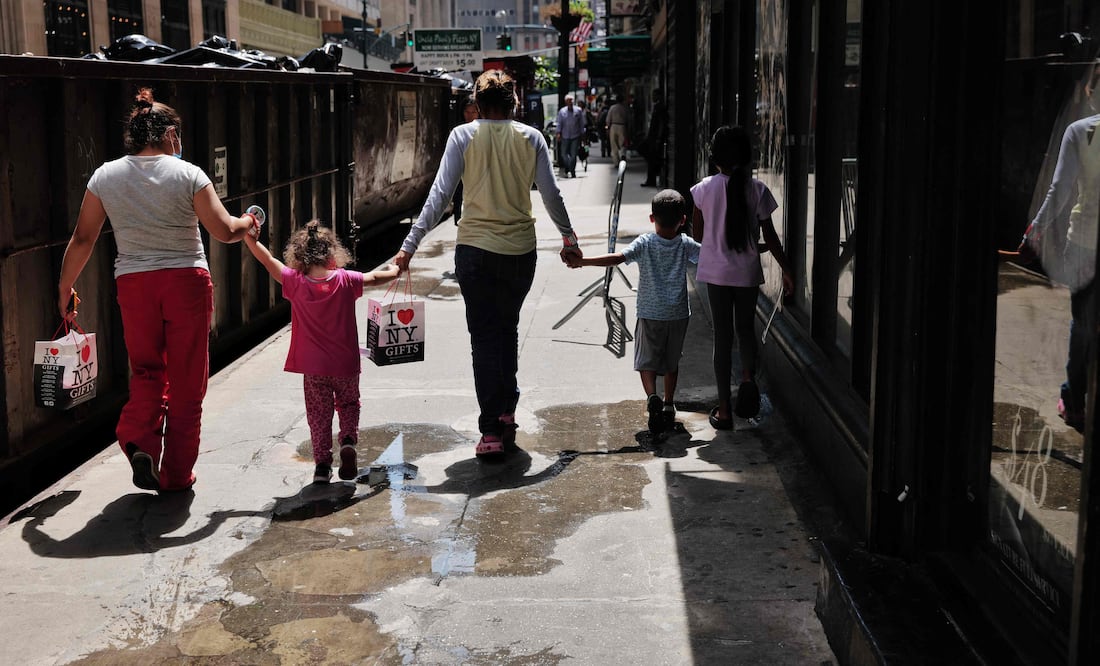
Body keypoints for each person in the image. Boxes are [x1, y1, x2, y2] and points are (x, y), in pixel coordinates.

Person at [57, 100, 258, 493]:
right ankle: (177, 474)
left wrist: (64, 287)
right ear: (169, 135)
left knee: (148, 371)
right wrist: (250, 221)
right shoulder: (188, 174)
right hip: (186, 282)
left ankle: (138, 440)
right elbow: (224, 230)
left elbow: (83, 238)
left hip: (135, 285)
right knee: (188, 382)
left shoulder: (105, 177)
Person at [394, 69, 582, 458]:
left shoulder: (463, 136)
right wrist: (569, 239)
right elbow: (551, 195)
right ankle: (507, 408)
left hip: (475, 253)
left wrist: (410, 245)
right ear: (514, 104)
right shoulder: (532, 138)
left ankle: (491, 430)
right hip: (519, 253)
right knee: (507, 328)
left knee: (484, 339)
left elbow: (440, 195)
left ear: (476, 105)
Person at [243, 220, 399, 483]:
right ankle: (348, 441)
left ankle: (322, 467)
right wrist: (396, 270)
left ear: (300, 256)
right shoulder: (346, 280)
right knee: (349, 404)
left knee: (318, 415)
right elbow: (373, 277)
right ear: (332, 254)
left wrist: (250, 240)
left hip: (313, 368)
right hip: (346, 365)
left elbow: (268, 260)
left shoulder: (294, 282)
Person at [566, 189, 700, 434]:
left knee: (646, 361)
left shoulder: (645, 243)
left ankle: (652, 397)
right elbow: (711, 257)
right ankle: (669, 404)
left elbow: (617, 258)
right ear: (683, 220)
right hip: (678, 314)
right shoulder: (685, 244)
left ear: (652, 218)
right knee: (672, 361)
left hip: (650, 313)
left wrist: (583, 262)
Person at [690, 125, 794, 430]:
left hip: (715, 273)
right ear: (747, 157)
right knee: (745, 329)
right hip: (747, 272)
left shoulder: (702, 189)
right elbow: (772, 238)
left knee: (722, 339)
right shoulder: (757, 189)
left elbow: (698, 234)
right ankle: (748, 378)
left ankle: (724, 411)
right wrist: (786, 270)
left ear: (714, 158)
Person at [1018, 66, 1100, 433]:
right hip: (1083, 243)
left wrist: (1034, 232)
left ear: (1091, 92)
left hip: (1083, 244)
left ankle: (1074, 398)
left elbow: (1060, 190)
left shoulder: (1081, 132)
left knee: (1083, 324)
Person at [451, 96, 481, 223]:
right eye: (467, 112)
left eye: (473, 112)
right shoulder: (457, 131)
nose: (469, 116)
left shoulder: (482, 130)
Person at [641, 89, 668, 187]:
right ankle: (651, 179)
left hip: (655, 138)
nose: (652, 97)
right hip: (653, 138)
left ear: (659, 96)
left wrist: (658, 139)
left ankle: (651, 180)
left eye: (654, 95)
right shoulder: (658, 106)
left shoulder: (660, 107)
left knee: (652, 159)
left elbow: (661, 124)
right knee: (650, 158)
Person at [555, 94, 586, 178]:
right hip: (565, 136)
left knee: (573, 155)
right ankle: (568, 167)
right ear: (566, 102)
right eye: (569, 100)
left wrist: (583, 135)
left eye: (571, 100)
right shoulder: (562, 111)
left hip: (575, 136)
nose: (570, 102)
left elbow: (581, 124)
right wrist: (558, 133)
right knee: (564, 154)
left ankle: (572, 171)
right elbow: (559, 123)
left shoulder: (578, 111)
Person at [606, 95, 631, 164]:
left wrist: (607, 128)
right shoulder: (625, 108)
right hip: (622, 126)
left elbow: (608, 119)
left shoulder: (612, 108)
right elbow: (629, 119)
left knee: (614, 145)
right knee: (622, 143)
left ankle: (616, 162)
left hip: (613, 126)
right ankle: (623, 156)